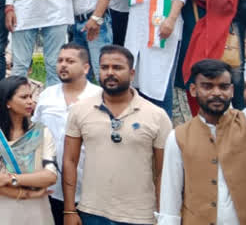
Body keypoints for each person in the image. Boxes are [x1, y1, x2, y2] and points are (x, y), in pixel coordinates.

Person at [63, 45, 172, 225]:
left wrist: (163, 217)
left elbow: (163, 173)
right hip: (91, 212)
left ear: (132, 73)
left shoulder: (157, 116)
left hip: (140, 216)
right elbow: (70, 161)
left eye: (117, 68)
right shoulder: (80, 110)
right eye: (105, 67)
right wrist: (69, 210)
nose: (110, 73)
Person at [158, 59, 246, 224]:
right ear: (193, 90)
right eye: (207, 86)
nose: (216, 93)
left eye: (223, 87)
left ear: (232, 90)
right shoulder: (178, 137)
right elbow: (170, 199)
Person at [0, 76, 57, 225]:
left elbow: (50, 176)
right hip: (2, 213)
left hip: (37, 213)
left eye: (31, 96)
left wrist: (9, 179)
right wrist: (29, 193)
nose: (30, 101)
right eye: (24, 97)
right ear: (7, 102)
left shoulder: (42, 132)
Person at [32, 43, 101, 225]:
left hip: (89, 190)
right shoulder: (47, 95)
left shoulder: (100, 97)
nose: (63, 65)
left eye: (70, 61)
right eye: (60, 60)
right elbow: (35, 135)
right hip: (49, 188)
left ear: (86, 68)